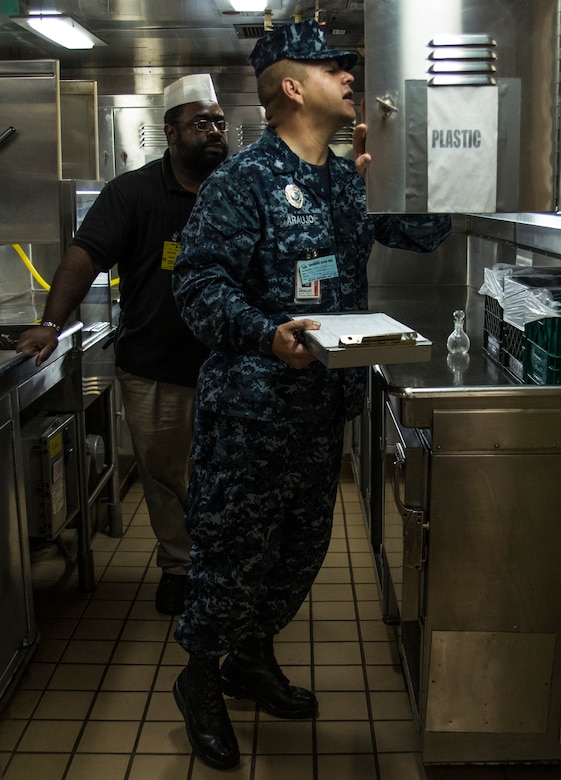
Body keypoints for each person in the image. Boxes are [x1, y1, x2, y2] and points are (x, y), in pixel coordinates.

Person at [171, 19, 452, 771]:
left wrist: (395, 167)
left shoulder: (349, 173)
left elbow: (426, 234)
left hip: (322, 411)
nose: (350, 75)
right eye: (333, 67)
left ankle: (250, 662)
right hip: (252, 412)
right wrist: (267, 336)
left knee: (296, 553)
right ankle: (198, 678)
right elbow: (195, 286)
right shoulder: (243, 179)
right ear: (291, 87)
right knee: (233, 556)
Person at [15, 74, 229, 615]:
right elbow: (85, 255)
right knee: (164, 475)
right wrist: (50, 323)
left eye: (220, 122)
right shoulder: (132, 194)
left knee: (226, 473)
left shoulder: (239, 190)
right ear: (171, 131)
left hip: (232, 367)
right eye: (201, 122)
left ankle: (224, 570)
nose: (214, 132)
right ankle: (181, 567)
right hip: (155, 367)